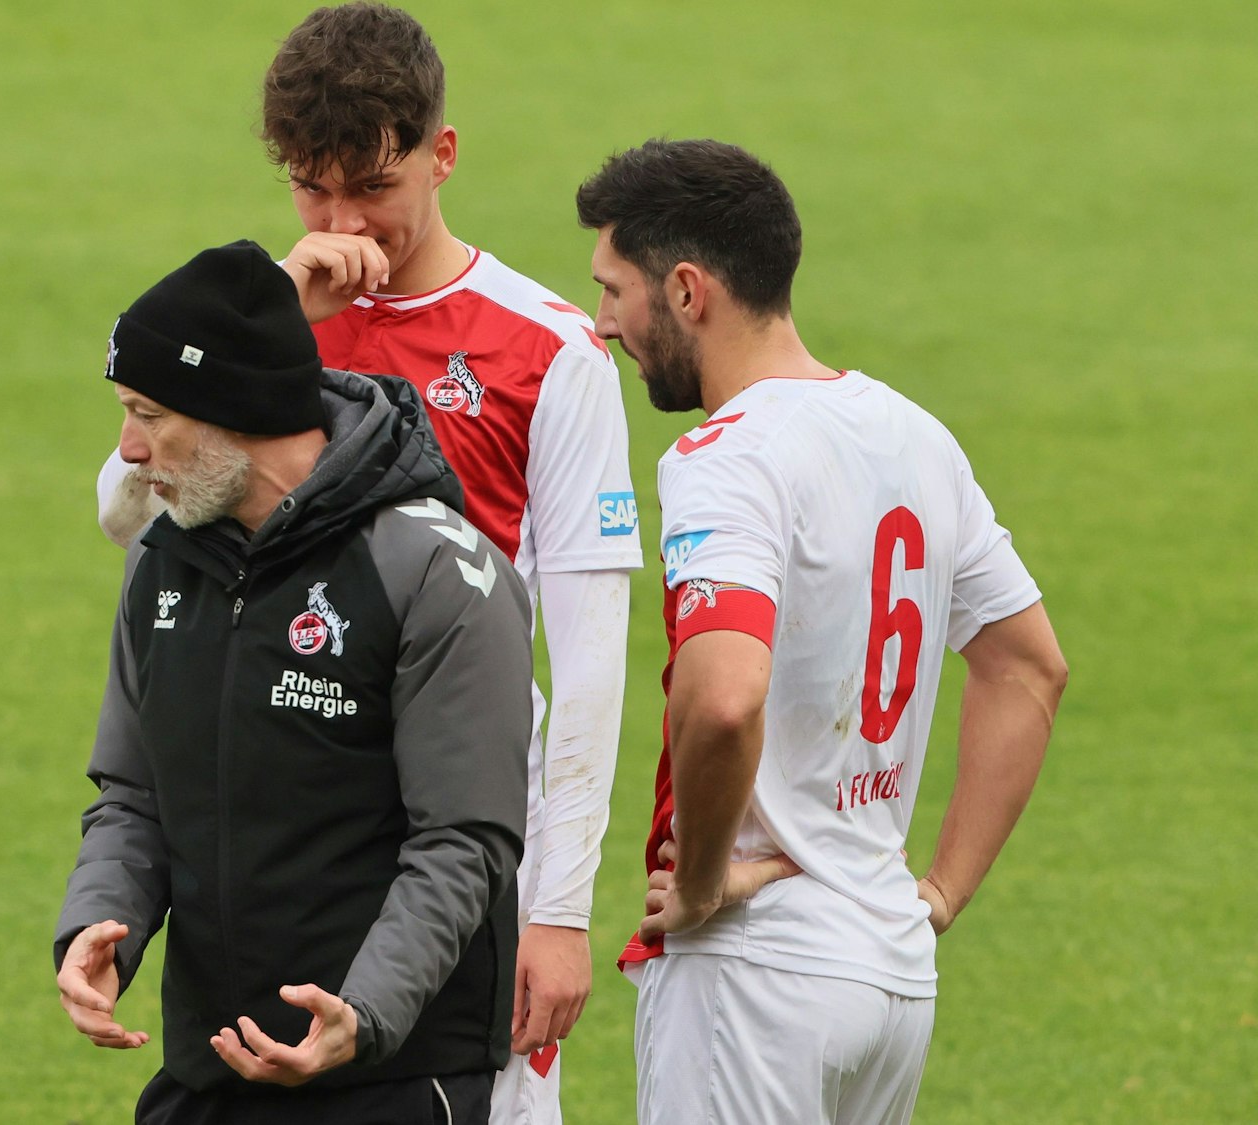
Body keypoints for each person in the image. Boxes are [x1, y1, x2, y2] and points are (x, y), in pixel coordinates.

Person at [96, 8, 642, 1117]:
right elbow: (125, 512)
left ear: (439, 156)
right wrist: (279, 323)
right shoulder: (256, 324)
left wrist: (558, 909)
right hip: (282, 828)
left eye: (373, 190)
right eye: (310, 189)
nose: (343, 224)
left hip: (462, 836)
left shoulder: (546, 352)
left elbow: (586, 658)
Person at [576, 138, 1069, 1124]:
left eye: (612, 290)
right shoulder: (913, 435)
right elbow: (1028, 668)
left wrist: (706, 883)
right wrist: (937, 895)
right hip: (886, 964)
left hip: (756, 971)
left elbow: (721, 698)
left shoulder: (724, 460)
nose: (600, 326)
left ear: (684, 290)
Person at [56, 240, 534, 1124]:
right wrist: (101, 925)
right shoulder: (161, 561)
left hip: (388, 1077)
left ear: (236, 410)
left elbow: (463, 837)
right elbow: (134, 794)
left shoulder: (433, 569)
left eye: (147, 413)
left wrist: (366, 1014)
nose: (127, 449)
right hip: (211, 1071)